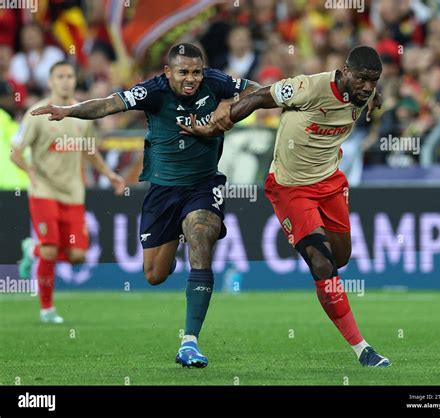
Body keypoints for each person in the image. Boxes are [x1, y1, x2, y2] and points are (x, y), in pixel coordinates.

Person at [30, 43, 259, 367]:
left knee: (201, 231)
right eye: (183, 73)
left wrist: (230, 107)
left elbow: (258, 91)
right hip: (163, 191)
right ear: (168, 72)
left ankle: (189, 342)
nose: (191, 79)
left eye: (196, 72)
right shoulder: (153, 91)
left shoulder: (217, 82)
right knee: (154, 275)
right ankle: (180, 234)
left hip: (203, 184)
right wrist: (70, 110)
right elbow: (110, 104)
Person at [179, 46, 392, 368]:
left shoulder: (367, 94)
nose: (366, 87)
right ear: (345, 70)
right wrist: (216, 126)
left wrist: (376, 97)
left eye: (372, 81)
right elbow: (258, 97)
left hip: (331, 183)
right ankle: (363, 350)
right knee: (322, 264)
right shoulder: (309, 87)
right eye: (362, 79)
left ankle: (317, 254)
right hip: (291, 188)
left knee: (340, 258)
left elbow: (375, 96)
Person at [11, 60, 125, 324]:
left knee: (77, 256)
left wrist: (110, 174)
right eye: (59, 76)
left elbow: (89, 152)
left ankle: (33, 251)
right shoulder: (35, 114)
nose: (65, 80)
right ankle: (47, 308)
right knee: (51, 249)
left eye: (69, 76)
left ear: (75, 81)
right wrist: (30, 172)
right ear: (50, 81)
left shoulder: (80, 115)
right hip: (44, 192)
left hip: (73, 194)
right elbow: (15, 151)